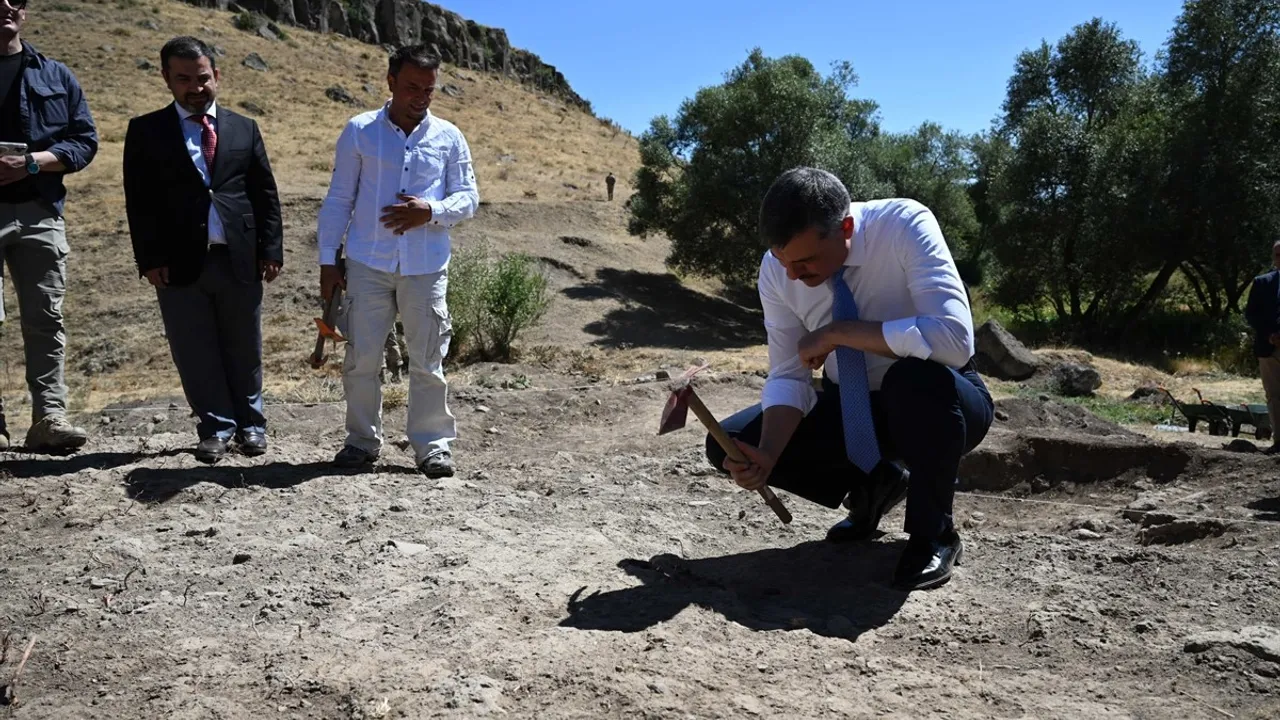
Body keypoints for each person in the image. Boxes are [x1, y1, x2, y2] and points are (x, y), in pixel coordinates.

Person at [706, 167, 994, 592]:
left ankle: (934, 533)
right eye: (783, 260)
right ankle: (876, 485)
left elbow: (953, 340)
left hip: (943, 402)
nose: (792, 275)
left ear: (844, 228)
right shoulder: (777, 269)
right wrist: (765, 454)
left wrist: (838, 333)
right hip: (852, 408)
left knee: (914, 379)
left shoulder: (904, 225)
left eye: (804, 261)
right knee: (729, 441)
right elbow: (789, 374)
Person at [317, 43, 479, 477]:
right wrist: (328, 261)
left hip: (425, 266)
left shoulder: (449, 136)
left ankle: (432, 447)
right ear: (390, 82)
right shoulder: (359, 131)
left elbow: (468, 198)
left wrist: (430, 211)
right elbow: (339, 198)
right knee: (362, 357)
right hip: (368, 263)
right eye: (412, 87)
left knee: (428, 358)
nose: (421, 97)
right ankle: (361, 442)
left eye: (428, 89)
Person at [123, 36, 283, 464]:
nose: (195, 88)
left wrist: (271, 249)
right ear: (167, 79)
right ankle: (215, 427)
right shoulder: (145, 130)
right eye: (184, 79)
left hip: (240, 257)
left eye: (203, 78)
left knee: (244, 346)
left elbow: (264, 193)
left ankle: (251, 425)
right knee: (195, 350)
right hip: (177, 262)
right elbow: (139, 202)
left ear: (217, 76)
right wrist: (150, 259)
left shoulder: (244, 127)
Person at [0, 0, 97, 452]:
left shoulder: (55, 75)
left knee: (46, 317)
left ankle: (49, 418)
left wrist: (32, 165)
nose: (5, 6)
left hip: (39, 211)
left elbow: (83, 141)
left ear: (24, 10)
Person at [1243, 240, 1280, 454]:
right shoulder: (1262, 283)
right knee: (1274, 395)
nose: (1279, 259)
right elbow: (1252, 314)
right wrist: (1270, 335)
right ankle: (1279, 442)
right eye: (1277, 255)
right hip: (1269, 348)